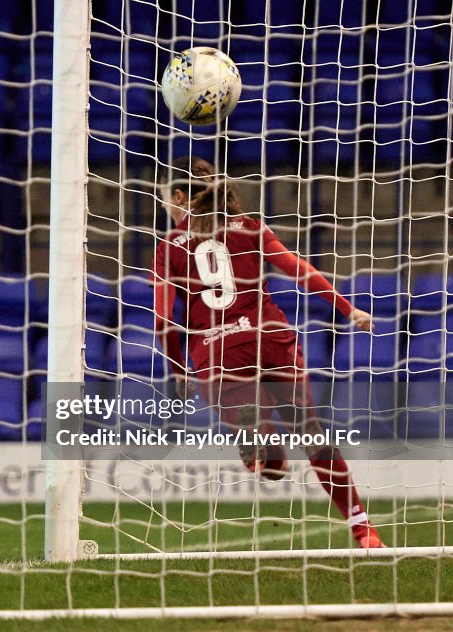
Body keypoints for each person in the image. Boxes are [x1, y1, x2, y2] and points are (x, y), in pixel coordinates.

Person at [150, 155, 385, 549]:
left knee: (259, 443)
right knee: (311, 433)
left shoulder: (169, 246)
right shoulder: (251, 228)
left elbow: (162, 321)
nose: (165, 208)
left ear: (179, 196)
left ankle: (260, 440)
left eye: (165, 200)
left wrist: (179, 370)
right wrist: (349, 309)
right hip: (271, 338)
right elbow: (298, 268)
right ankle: (364, 529)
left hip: (218, 351)